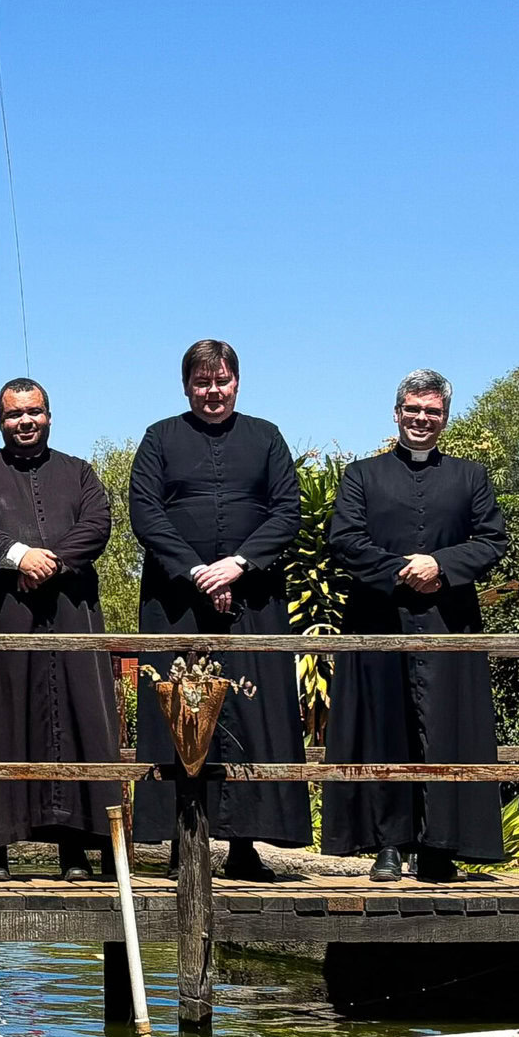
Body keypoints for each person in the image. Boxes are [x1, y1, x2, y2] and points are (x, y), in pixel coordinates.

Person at [130, 340, 310, 877]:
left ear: (237, 381)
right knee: (176, 714)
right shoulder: (160, 437)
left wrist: (237, 565)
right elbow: (146, 513)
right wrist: (195, 572)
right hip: (176, 600)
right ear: (187, 386)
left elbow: (287, 511)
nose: (213, 392)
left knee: (251, 717)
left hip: (253, 598)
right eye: (202, 383)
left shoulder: (267, 437)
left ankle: (246, 847)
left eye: (222, 381)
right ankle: (184, 843)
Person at [323, 370, 509, 883]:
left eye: (432, 411)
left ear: (445, 417)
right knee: (385, 730)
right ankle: (388, 845)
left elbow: (492, 540)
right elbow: (345, 539)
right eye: (412, 409)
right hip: (379, 616)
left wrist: (441, 566)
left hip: (448, 621)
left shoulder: (471, 477)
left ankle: (440, 849)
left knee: (448, 732)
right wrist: (403, 570)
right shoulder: (361, 475)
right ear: (396, 412)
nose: (421, 419)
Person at [0, 379, 119, 880]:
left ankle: (75, 851)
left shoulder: (80, 472)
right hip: (0, 616)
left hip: (69, 616)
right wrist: (19, 556)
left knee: (75, 724)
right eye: (13, 414)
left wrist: (52, 561)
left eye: (34, 412)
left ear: (49, 415)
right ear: (0, 421)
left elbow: (98, 524)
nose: (25, 421)